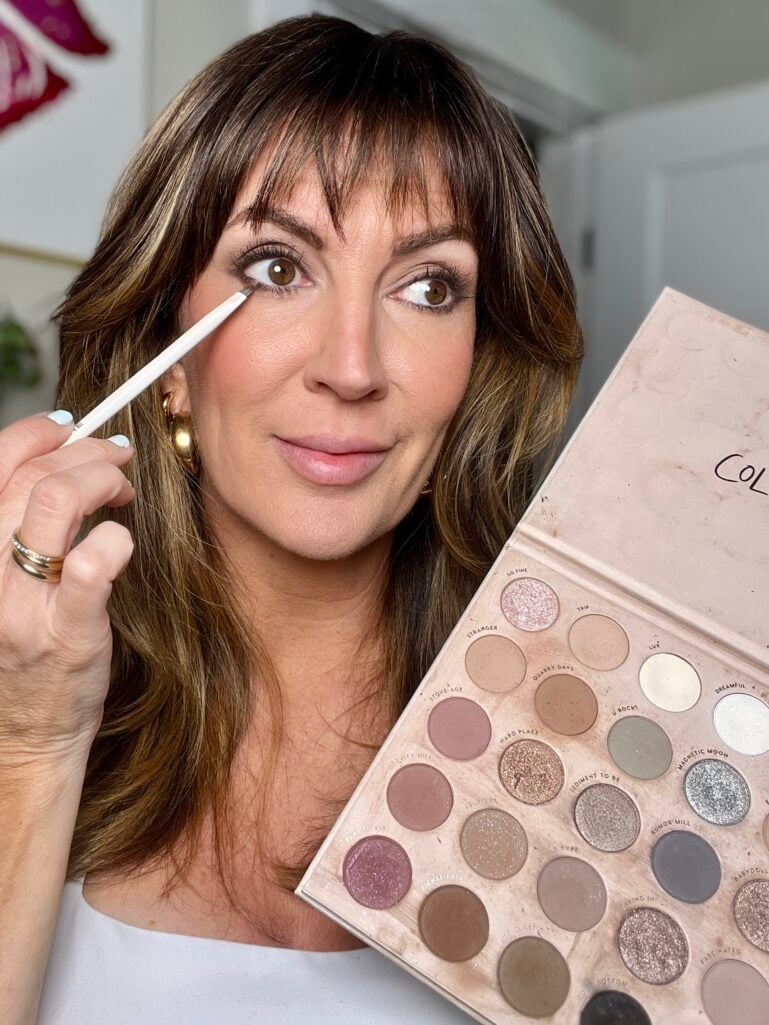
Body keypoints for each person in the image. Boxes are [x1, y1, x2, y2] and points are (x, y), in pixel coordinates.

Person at [0, 13, 583, 1024]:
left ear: (476, 366)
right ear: (169, 357)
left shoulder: (570, 747)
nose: (351, 366)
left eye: (428, 284)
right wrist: (29, 744)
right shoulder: (22, 705)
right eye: (277, 266)